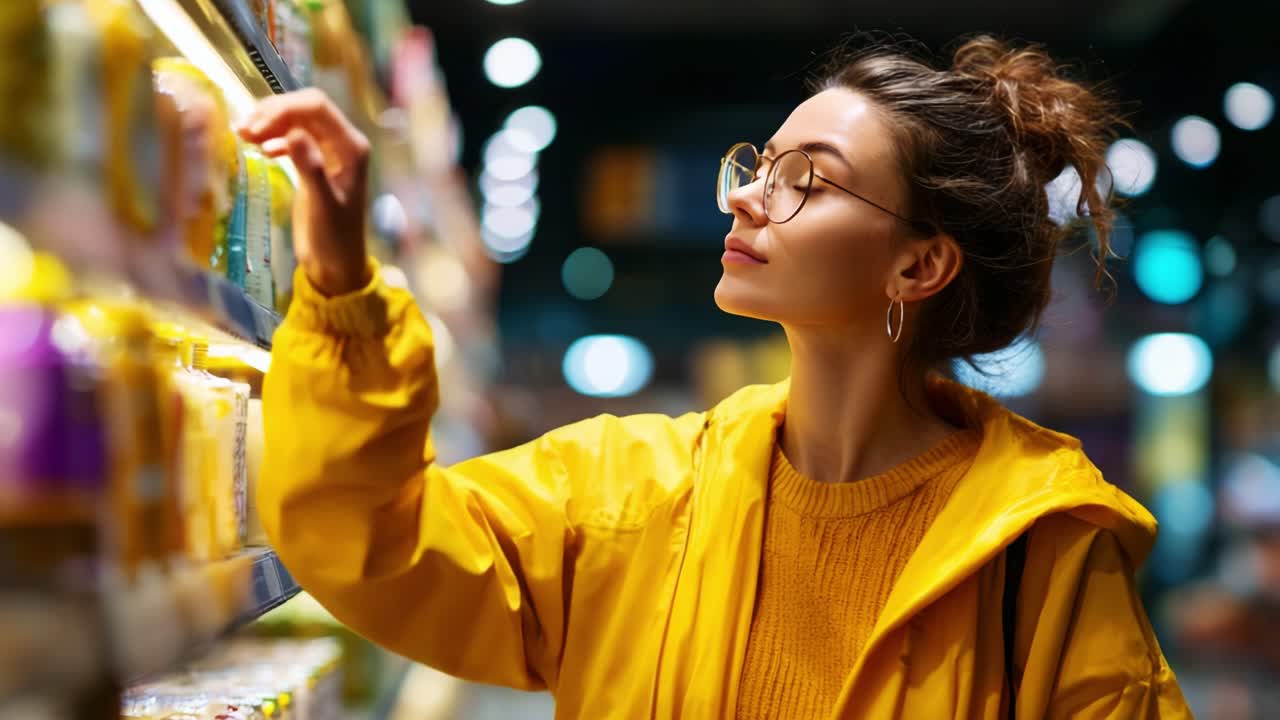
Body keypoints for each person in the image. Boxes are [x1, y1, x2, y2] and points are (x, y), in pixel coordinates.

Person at [239, 34, 1193, 719]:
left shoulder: (1043, 555)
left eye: (804, 179)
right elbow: (369, 542)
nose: (745, 193)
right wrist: (342, 289)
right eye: (760, 163)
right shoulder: (630, 494)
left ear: (919, 265)